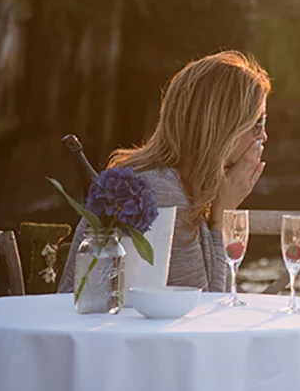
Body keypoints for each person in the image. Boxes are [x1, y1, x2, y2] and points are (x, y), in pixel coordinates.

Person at [58, 50, 270, 293]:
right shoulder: (160, 193)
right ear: (224, 128)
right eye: (258, 124)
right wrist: (223, 213)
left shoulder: (176, 182)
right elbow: (207, 303)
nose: (263, 136)